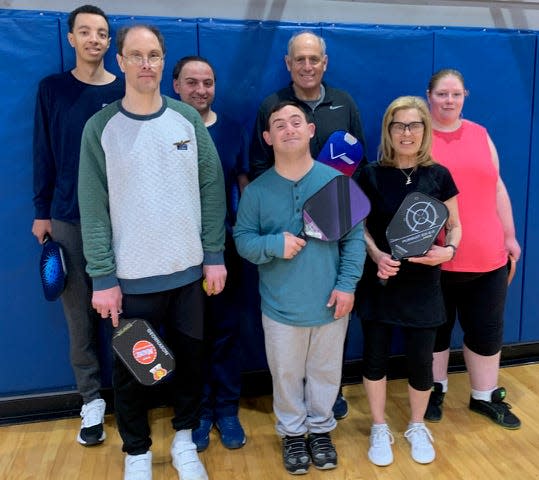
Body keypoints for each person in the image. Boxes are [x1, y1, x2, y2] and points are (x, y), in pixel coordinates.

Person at [78, 25, 226, 480]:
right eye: (136, 55)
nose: (146, 64)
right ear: (119, 61)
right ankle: (137, 453)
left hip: (187, 277)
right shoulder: (101, 128)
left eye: (155, 55)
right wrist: (103, 277)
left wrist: (214, 253)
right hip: (131, 280)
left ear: (164, 62)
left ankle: (184, 440)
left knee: (189, 365)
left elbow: (211, 187)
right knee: (133, 374)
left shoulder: (186, 119)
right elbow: (93, 206)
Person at [234, 101, 365, 474]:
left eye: (296, 122)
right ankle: (292, 434)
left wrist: (346, 286)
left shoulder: (336, 184)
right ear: (268, 137)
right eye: (279, 124)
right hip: (279, 308)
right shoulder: (257, 192)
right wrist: (275, 245)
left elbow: (354, 242)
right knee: (286, 375)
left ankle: (321, 430)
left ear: (310, 130)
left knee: (326, 373)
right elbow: (243, 240)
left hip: (330, 303)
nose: (288, 129)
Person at [249, 30, 367, 417]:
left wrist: (340, 209)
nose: (306, 65)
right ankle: (294, 426)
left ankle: (324, 412)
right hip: (284, 282)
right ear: (288, 64)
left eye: (313, 59)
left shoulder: (344, 103)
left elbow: (356, 166)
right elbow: (257, 170)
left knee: (326, 358)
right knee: (286, 362)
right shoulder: (271, 104)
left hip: (333, 246)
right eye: (299, 59)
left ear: (324, 62)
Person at [31, 4, 124, 447]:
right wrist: (41, 210)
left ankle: (129, 398)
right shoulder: (51, 90)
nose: (94, 39)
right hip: (67, 217)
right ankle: (91, 401)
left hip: (122, 220)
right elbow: (42, 153)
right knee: (79, 318)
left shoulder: (126, 91)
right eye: (85, 31)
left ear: (110, 42)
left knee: (124, 313)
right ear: (71, 38)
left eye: (102, 33)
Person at [355, 96, 461, 466]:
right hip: (381, 280)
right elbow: (360, 228)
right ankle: (379, 426)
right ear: (388, 130)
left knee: (421, 361)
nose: (406, 132)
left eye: (414, 125)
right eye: (398, 125)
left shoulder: (439, 175)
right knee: (375, 358)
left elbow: (456, 226)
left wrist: (449, 252)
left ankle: (417, 424)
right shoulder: (369, 174)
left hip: (423, 285)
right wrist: (376, 255)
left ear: (424, 130)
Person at [424, 69, 522, 429]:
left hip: (488, 255)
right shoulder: (417, 136)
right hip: (437, 258)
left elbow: (496, 187)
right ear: (429, 96)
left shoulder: (481, 134)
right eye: (441, 94)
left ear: (465, 96)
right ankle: (433, 390)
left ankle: (484, 395)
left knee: (487, 330)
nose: (448, 101)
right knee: (435, 330)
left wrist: (509, 236)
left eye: (455, 94)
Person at [172, 56, 248, 451]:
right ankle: (198, 412)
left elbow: (246, 187)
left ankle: (227, 409)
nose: (200, 89)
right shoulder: (165, 127)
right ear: (176, 86)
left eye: (208, 82)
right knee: (190, 337)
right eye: (192, 82)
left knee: (226, 332)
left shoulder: (233, 130)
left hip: (225, 250)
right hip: (178, 253)